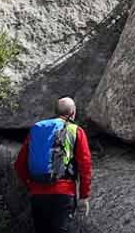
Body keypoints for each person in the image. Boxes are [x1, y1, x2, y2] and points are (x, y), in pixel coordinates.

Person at [15, 97, 92, 233]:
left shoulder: (37, 128)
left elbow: (19, 164)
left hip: (38, 193)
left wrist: (31, 186)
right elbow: (85, 165)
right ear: (73, 113)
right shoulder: (75, 131)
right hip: (63, 192)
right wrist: (84, 196)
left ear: (55, 111)